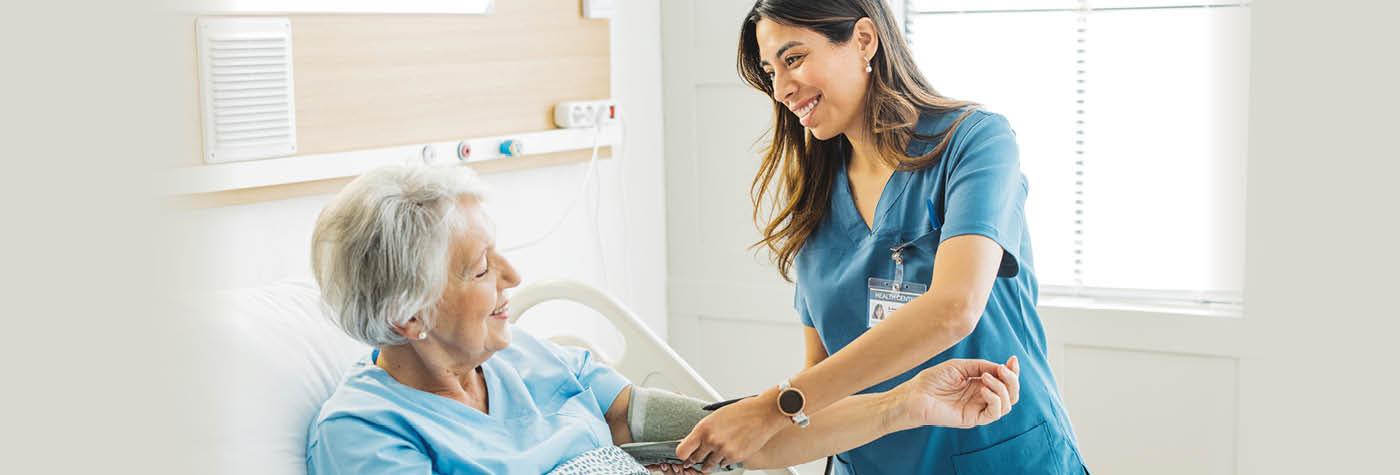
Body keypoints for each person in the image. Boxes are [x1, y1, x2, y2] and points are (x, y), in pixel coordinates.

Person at [304, 165, 1022, 474]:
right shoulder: (367, 431)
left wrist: (908, 403)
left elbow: (744, 434)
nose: (514, 280)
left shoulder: (540, 360)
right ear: (408, 315)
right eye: (481, 268)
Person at [676, 1, 1087, 473]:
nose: (782, 89)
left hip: (998, 455)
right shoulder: (813, 198)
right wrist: (716, 452)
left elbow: (954, 309)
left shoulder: (975, 143)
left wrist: (774, 408)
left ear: (864, 40)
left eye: (793, 59)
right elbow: (819, 398)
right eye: (770, 72)